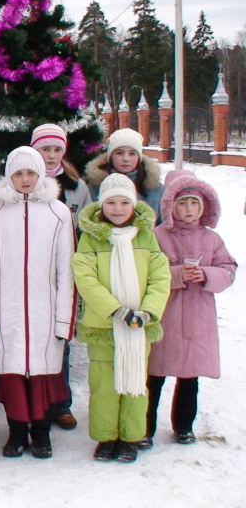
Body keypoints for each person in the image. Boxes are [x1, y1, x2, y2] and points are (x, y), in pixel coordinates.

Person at [0, 146, 75, 459]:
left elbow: (66, 269)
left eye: (31, 172)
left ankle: (41, 434)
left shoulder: (58, 213)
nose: (25, 179)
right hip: (8, 310)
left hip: (45, 311)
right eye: (18, 173)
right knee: (14, 374)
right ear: (9, 176)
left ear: (41, 174)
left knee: (43, 374)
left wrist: (63, 321)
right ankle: (16, 432)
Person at [72, 174, 170, 463]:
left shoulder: (146, 237)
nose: (117, 209)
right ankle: (106, 438)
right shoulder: (91, 238)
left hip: (138, 326)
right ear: (101, 205)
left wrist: (148, 311)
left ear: (134, 205)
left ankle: (130, 438)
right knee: (104, 387)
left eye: (124, 202)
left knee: (135, 385)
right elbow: (86, 278)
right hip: (104, 326)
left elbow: (160, 277)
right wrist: (115, 310)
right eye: (111, 203)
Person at [144, 170, 236, 448]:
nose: (188, 209)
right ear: (169, 205)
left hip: (198, 319)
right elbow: (144, 271)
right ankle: (144, 427)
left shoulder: (211, 239)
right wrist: (175, 275)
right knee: (154, 375)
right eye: (182, 203)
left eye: (194, 203)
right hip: (165, 315)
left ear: (204, 206)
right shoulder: (156, 236)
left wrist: (206, 274)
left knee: (189, 376)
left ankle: (184, 426)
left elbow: (228, 269)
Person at [30, 123, 92, 431]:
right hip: (32, 271)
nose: (52, 155)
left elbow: (88, 225)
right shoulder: (24, 180)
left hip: (63, 272)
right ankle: (34, 400)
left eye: (57, 149)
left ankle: (61, 403)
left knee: (60, 336)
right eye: (45, 149)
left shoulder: (76, 186)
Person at [85, 128, 163, 221]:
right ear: (110, 156)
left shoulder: (156, 189)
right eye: (119, 153)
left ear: (139, 157)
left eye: (132, 153)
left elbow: (164, 225)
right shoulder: (92, 187)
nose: (126, 158)